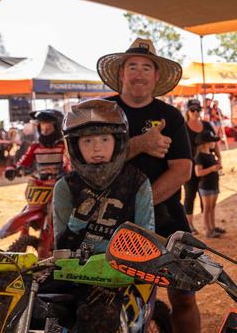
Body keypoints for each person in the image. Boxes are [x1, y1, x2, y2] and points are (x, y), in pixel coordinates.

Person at [98, 38, 199, 332]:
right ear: (121, 73)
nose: (139, 73)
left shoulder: (170, 116)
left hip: (165, 217)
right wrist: (141, 143)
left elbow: (182, 171)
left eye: (146, 67)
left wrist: (139, 205)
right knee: (104, 296)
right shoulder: (101, 112)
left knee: (184, 297)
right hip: (105, 219)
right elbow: (87, 164)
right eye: (132, 66)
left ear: (156, 76)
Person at [51, 99, 155, 332]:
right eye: (87, 141)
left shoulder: (137, 182)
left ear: (118, 142)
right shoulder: (65, 186)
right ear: (75, 146)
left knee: (98, 319)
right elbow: (60, 244)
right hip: (74, 273)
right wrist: (75, 225)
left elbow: (147, 238)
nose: (96, 148)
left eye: (104, 139)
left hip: (121, 274)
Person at [183, 98, 222, 234]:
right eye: (192, 110)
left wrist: (219, 158)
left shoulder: (207, 125)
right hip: (189, 166)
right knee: (190, 195)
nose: (195, 112)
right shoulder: (183, 126)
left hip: (206, 163)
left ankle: (210, 226)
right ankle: (190, 225)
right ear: (187, 111)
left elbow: (215, 142)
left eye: (198, 109)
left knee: (206, 195)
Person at [5, 110, 68, 181]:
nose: (45, 129)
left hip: (61, 183)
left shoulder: (64, 146)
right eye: (42, 125)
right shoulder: (35, 147)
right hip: (41, 183)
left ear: (57, 126)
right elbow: (24, 161)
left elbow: (69, 163)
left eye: (48, 125)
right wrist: (13, 169)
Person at [194, 129, 223, 238]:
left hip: (213, 184)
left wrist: (217, 166)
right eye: (212, 141)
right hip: (206, 186)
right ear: (206, 143)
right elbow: (198, 173)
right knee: (207, 209)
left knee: (212, 208)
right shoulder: (200, 156)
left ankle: (212, 228)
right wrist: (212, 168)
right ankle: (208, 230)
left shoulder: (210, 155)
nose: (214, 143)